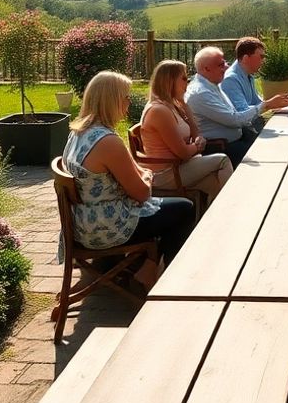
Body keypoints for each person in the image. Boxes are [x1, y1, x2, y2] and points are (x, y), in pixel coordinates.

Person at [61, 71, 197, 281]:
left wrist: (141, 174)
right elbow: (142, 193)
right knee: (184, 208)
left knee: (170, 208)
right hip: (105, 228)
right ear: (112, 101)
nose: (128, 102)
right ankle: (164, 278)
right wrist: (147, 177)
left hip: (81, 223)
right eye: (125, 97)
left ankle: (139, 266)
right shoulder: (107, 141)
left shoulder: (78, 132)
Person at [139, 59, 233, 201]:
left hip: (180, 167)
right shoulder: (159, 110)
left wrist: (184, 104)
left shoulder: (173, 105)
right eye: (183, 78)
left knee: (216, 184)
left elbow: (194, 133)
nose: (187, 83)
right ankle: (232, 210)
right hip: (167, 174)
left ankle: (215, 220)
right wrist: (197, 146)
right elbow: (183, 153)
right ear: (170, 81)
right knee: (223, 160)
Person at [185, 46, 288, 166]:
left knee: (279, 147)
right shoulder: (201, 93)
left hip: (236, 140)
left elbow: (237, 114)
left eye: (225, 62)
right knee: (272, 157)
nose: (226, 67)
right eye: (220, 65)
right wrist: (266, 105)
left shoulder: (212, 85)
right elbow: (234, 120)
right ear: (206, 69)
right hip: (222, 148)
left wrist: (268, 105)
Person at [221, 36, 267, 131]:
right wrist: (268, 105)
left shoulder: (248, 75)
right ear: (246, 58)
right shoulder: (231, 79)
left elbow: (256, 102)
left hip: (251, 126)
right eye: (261, 57)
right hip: (242, 133)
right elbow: (243, 112)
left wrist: (276, 106)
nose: (263, 61)